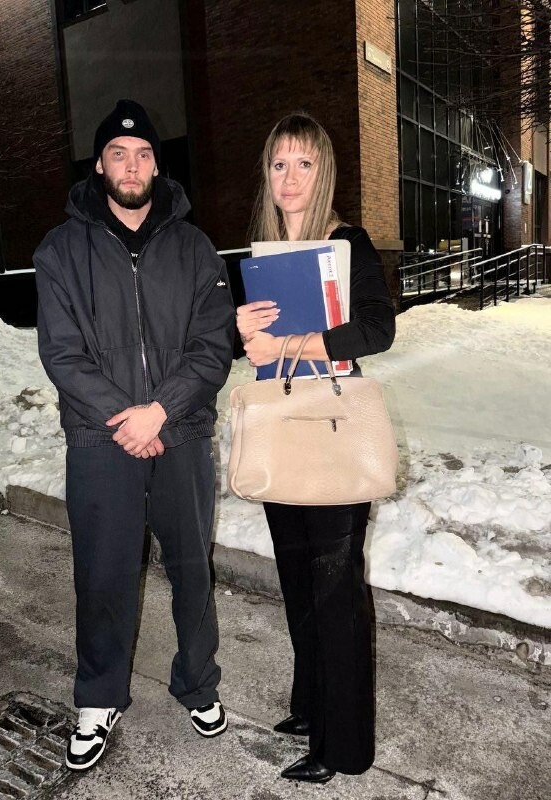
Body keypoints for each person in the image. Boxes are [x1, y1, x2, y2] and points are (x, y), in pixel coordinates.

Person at [34, 99, 235, 771]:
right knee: (103, 573)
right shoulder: (61, 250)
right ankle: (98, 697)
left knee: (192, 568)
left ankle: (198, 682)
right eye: (117, 154)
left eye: (143, 154)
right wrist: (128, 417)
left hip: (181, 433)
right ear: (99, 166)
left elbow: (212, 347)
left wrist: (160, 413)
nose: (131, 165)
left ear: (156, 164)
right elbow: (63, 354)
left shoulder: (195, 247)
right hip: (101, 441)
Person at [235, 112, 395, 783]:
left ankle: (343, 747)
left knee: (335, 590)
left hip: (333, 429)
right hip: (282, 424)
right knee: (298, 581)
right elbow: (242, 347)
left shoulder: (347, 242)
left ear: (322, 169)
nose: (290, 177)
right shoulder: (261, 254)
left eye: (304, 162)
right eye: (279, 164)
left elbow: (378, 329)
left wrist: (294, 345)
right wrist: (241, 328)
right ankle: (312, 706)